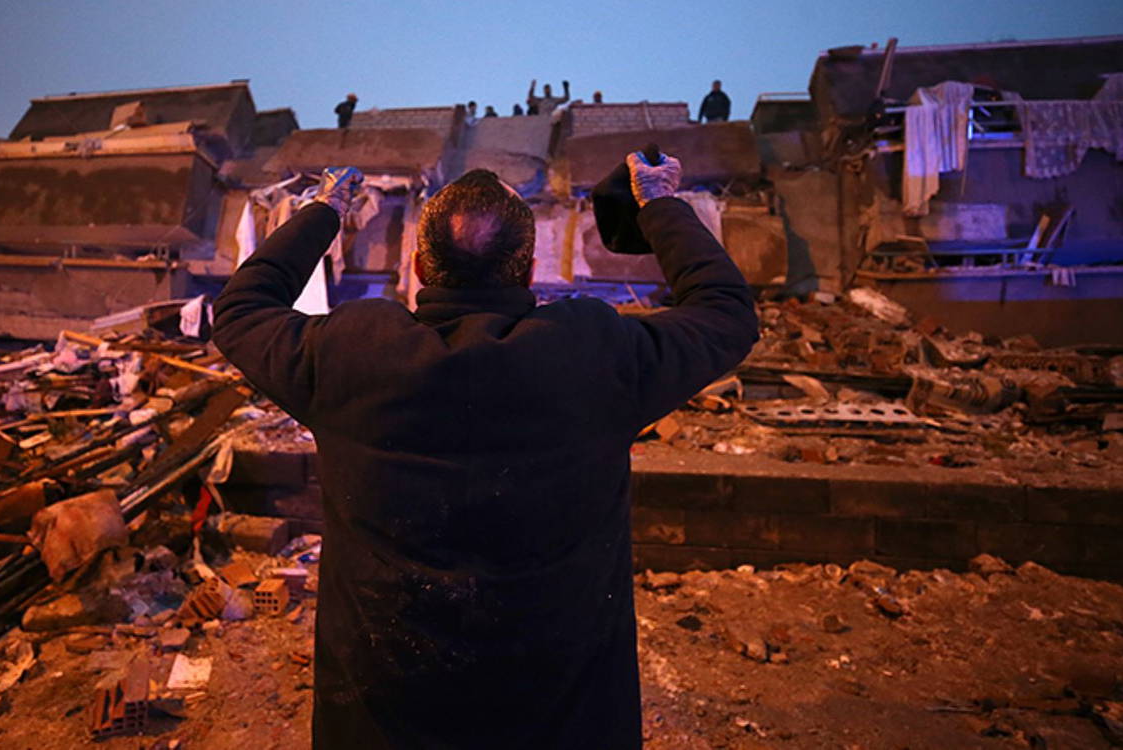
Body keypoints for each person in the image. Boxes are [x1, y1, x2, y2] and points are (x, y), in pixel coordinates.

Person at [212, 157, 758, 748]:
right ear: (528, 271)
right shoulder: (592, 353)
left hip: (383, 715)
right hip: (564, 715)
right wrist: (658, 201)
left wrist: (326, 210)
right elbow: (725, 312)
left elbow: (241, 310)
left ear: (420, 268)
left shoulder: (352, 352)